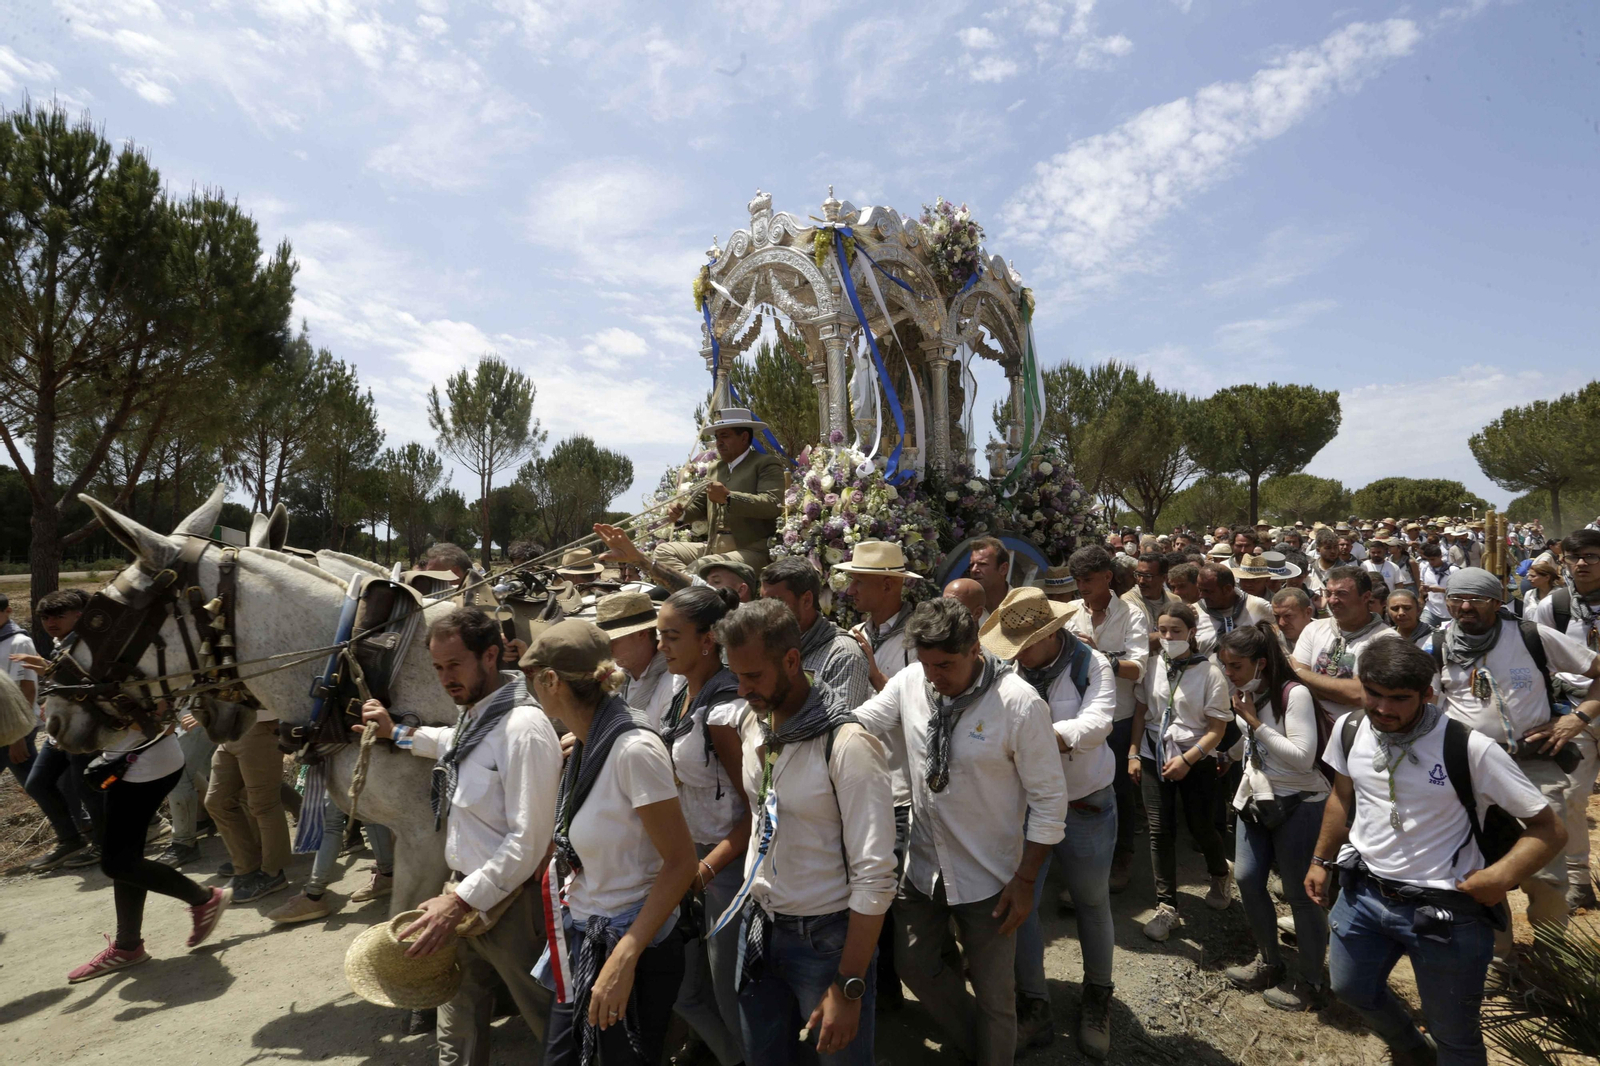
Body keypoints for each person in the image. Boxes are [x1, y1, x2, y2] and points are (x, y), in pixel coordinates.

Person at [1309, 638, 1566, 1066]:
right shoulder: (1350, 728)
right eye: (1373, 694)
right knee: (1351, 988)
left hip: (1445, 913)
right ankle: (1412, 1051)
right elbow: (1341, 796)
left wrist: (1500, 878)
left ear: (1427, 695)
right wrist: (1321, 859)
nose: (1384, 709)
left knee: (1455, 1036)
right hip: (1363, 896)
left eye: (1399, 699)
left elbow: (1548, 828)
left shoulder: (1469, 748)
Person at [852, 597, 1067, 1066]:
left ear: (975, 649)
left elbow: (1050, 804)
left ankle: (994, 1051)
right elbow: (863, 724)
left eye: (945, 664)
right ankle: (983, 1044)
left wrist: (1026, 882)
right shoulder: (911, 682)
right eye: (926, 664)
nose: (934, 675)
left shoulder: (1019, 704)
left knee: (995, 996)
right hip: (923, 865)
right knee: (914, 963)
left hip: (989, 878)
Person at [357, 606, 564, 1061]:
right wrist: (397, 733)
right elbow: (451, 743)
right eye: (437, 667)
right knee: (457, 1027)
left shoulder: (523, 729)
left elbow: (529, 842)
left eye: (454, 665)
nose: (445, 677)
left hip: (511, 912)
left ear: (490, 656)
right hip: (464, 899)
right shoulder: (476, 715)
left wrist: (459, 901)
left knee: (551, 1024)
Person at [715, 599, 896, 1065]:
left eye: (753, 676)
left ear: (792, 661)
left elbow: (875, 878)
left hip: (826, 944)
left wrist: (849, 985)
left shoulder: (848, 745)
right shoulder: (754, 721)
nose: (742, 688)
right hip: (759, 927)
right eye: (736, 675)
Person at [521, 619, 697, 1066]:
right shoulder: (586, 743)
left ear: (552, 681)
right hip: (587, 937)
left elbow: (680, 862)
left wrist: (625, 957)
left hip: (628, 950)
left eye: (530, 678)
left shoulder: (632, 750)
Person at [1433, 567, 1600, 969]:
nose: (1465, 607)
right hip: (1470, 778)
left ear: (1497, 602)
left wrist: (1578, 717)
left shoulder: (1531, 636)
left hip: (1532, 768)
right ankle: (1497, 960)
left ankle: (1551, 961)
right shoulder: (1436, 643)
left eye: (1476, 600)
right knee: (1482, 869)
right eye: (1457, 599)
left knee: (1545, 874)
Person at [982, 588, 1119, 1058]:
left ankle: (1098, 995)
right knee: (1022, 906)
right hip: (1024, 807)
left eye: (1027, 641)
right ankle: (1035, 1006)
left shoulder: (1091, 665)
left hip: (1084, 801)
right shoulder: (1005, 670)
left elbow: (1099, 721)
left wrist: (1040, 738)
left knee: (1091, 901)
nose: (1018, 650)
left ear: (1053, 632)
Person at [655, 586, 750, 1066]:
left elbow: (757, 814)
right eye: (659, 636)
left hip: (726, 867)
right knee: (686, 990)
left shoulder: (727, 711)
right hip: (689, 860)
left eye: (672, 637)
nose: (661, 647)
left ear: (709, 639)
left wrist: (707, 870)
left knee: (731, 993)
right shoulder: (679, 691)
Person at [63, 716, 231, 982]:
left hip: (145, 767)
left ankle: (203, 898)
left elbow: (161, 722)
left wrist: (88, 716)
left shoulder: (134, 674)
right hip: (128, 764)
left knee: (116, 863)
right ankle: (128, 945)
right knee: (126, 857)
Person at [1218, 624, 1329, 1011]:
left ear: (1260, 663)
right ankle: (1268, 961)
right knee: (1248, 879)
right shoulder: (1246, 692)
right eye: (1224, 665)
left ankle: (1311, 981)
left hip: (1300, 803)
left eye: (1235, 665)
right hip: (1257, 798)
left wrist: (1254, 722)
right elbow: (1252, 743)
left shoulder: (1293, 694)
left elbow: (1302, 756)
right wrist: (1229, 756)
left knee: (1301, 896)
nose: (1228, 673)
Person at [837, 540, 921, 1010]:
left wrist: (869, 666)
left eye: (859, 580)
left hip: (901, 785)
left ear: (889, 585)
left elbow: (918, 709)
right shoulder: (859, 631)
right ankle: (878, 990)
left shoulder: (916, 636)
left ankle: (889, 990)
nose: (850, 589)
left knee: (887, 896)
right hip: (865, 782)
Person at [1128, 603, 1233, 941]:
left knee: (1201, 826)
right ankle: (1167, 907)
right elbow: (1142, 711)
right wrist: (1133, 752)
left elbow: (1217, 729)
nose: (1169, 637)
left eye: (1176, 630)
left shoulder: (1210, 672)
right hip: (1153, 754)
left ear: (1191, 632)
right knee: (1160, 830)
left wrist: (1188, 759)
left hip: (1195, 760)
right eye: (1163, 630)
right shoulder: (1154, 665)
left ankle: (1219, 873)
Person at [1060, 545, 1148, 896]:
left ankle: (1120, 859)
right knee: (1076, 792)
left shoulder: (1132, 615)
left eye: (1088, 580)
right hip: (1077, 717)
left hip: (1118, 718)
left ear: (1108, 577)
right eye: (1077, 580)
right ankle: (1077, 868)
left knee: (1118, 795)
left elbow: (1138, 669)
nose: (1082, 586)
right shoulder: (1067, 612)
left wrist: (1096, 655)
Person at [1528, 529, 1600, 910]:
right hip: (1573, 712)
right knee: (1572, 796)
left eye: (1590, 556)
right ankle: (1578, 879)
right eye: (1574, 558)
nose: (1582, 564)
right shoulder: (1552, 605)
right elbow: (1534, 657)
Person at [652, 408, 787, 585]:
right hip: (714, 547)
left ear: (744, 437)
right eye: (717, 437)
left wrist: (729, 497)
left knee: (699, 567)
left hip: (752, 550)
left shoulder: (765, 463)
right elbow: (699, 505)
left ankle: (691, 591)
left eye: (725, 436)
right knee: (662, 552)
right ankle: (697, 590)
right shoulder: (715, 468)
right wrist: (680, 513)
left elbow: (772, 504)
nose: (719, 443)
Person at [21, 589, 104, 871]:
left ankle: (106, 846)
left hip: (84, 725)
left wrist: (48, 672)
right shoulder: (61, 643)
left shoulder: (90, 643)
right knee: (38, 783)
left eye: (58, 615)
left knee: (87, 787)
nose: (50, 622)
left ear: (79, 616)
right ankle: (71, 840)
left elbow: (91, 684)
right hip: (60, 726)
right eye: (45, 616)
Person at [204, 685, 292, 901]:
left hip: (259, 726)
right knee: (216, 801)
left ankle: (272, 873)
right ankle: (247, 867)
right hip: (230, 729)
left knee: (263, 804)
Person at [1289, 565, 1396, 728]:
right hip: (1310, 728)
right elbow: (1295, 683)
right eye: (1329, 593)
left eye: (1341, 594)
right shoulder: (1313, 629)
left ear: (1366, 597)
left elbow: (1360, 694)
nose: (1332, 600)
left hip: (1355, 733)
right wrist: (1340, 690)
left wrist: (1302, 674)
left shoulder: (1387, 640)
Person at [760, 558, 870, 715]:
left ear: (806, 600)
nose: (765, 611)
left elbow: (838, 726)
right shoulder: (769, 645)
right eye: (762, 602)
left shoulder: (844, 655)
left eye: (776, 602)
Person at [596, 591, 674, 729]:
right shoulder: (616, 672)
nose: (608, 649)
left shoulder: (673, 683)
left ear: (642, 634)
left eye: (613, 641)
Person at [1196, 562, 1273, 638]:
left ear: (1227, 589)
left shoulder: (1260, 607)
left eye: (1208, 591)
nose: (1201, 596)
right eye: (1200, 590)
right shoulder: (1194, 613)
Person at [967, 537, 1012, 618]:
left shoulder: (1027, 605)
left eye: (982, 564)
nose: (973, 570)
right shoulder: (967, 609)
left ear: (1003, 569)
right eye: (971, 565)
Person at [1418, 544, 1456, 627]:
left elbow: (1460, 592)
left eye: (1433, 559)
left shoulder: (1452, 570)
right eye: (1428, 560)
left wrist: (1441, 590)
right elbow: (1422, 585)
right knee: (1422, 632)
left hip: (1450, 613)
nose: (1431, 562)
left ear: (1441, 556)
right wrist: (1422, 593)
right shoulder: (1425, 569)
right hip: (1431, 610)